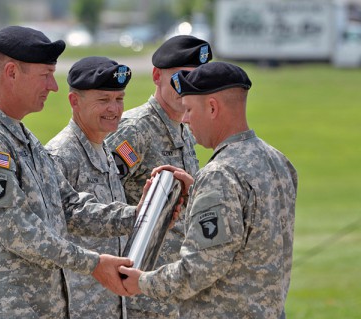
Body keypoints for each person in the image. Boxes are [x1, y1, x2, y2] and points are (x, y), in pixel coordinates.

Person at [0, 26, 139, 318]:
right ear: (11, 73)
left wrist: (142, 215)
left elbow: (71, 209)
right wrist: (93, 263)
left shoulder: (23, 139)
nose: (54, 86)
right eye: (45, 75)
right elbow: (18, 231)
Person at [120, 61, 298, 319]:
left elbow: (199, 269)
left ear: (213, 107)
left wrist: (140, 282)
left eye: (190, 109)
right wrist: (198, 195)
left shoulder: (220, 175)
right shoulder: (278, 161)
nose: (185, 118)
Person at [105, 35, 212, 318]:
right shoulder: (135, 130)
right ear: (156, 76)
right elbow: (100, 196)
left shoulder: (184, 128)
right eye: (179, 78)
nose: (187, 87)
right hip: (141, 294)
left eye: (196, 78)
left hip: (172, 289)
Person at [45, 56, 132, 319]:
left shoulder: (105, 147)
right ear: (74, 101)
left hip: (113, 304)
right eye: (103, 100)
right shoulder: (60, 155)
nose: (114, 109)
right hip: (80, 307)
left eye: (119, 99)